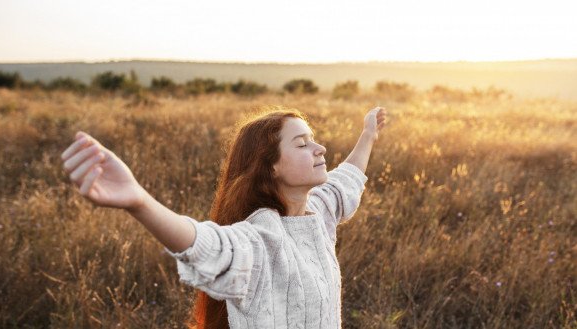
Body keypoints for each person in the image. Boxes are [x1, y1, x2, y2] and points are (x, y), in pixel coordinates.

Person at [61, 106, 387, 329]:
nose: (320, 149)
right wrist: (139, 202)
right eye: (302, 144)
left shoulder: (319, 209)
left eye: (313, 140)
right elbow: (206, 244)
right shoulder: (260, 239)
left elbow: (348, 179)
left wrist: (368, 134)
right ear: (270, 166)